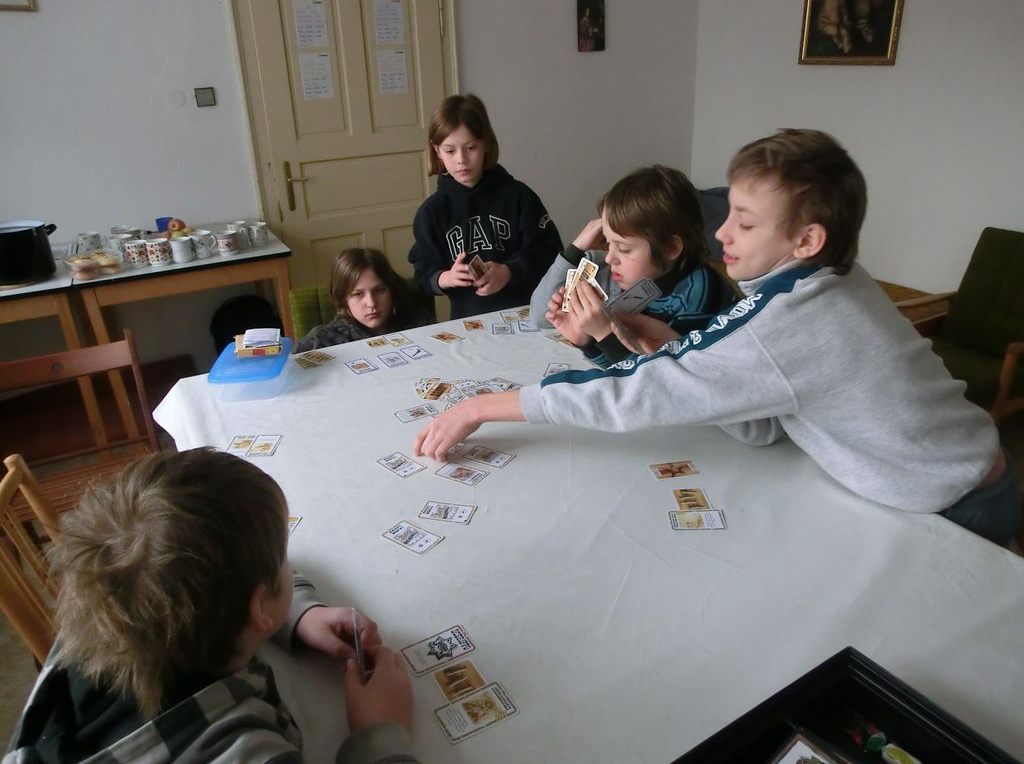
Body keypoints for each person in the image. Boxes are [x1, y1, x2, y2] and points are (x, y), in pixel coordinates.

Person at [413, 129, 1021, 547]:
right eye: (727, 213)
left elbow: (633, 396)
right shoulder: (830, 278)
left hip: (955, 501)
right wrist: (654, 340)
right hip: (966, 471)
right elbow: (759, 422)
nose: (722, 233)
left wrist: (481, 406)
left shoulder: (788, 316)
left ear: (806, 240)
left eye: (746, 223)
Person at [4, 448, 419, 763]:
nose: (290, 562)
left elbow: (217, 577)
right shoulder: (247, 752)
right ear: (258, 608)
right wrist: (380, 731)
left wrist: (299, 613)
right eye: (282, 560)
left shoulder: (108, 609)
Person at [529, 165, 735, 369]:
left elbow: (660, 377)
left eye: (624, 249)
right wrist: (587, 341)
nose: (610, 258)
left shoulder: (699, 293)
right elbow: (623, 363)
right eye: (608, 243)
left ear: (670, 248)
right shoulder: (641, 281)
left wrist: (603, 333)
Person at [408, 94, 563, 319]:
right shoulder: (431, 213)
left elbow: (550, 254)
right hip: (468, 324)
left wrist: (510, 271)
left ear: (486, 144)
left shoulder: (519, 197)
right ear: (437, 150)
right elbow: (422, 273)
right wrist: (445, 278)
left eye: (471, 147)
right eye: (450, 151)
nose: (461, 159)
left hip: (525, 314)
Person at [295, 247, 433, 352]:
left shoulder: (420, 322)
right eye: (358, 294)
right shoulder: (322, 340)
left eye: (379, 290)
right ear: (343, 299)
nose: (371, 303)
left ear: (391, 289)